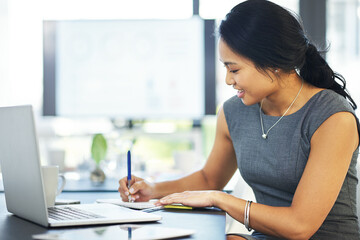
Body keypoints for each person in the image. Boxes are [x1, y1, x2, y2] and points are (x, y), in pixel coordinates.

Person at [118, 0, 360, 239]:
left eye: (234, 70)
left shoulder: (332, 117)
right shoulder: (234, 111)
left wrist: (219, 198)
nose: (227, 80)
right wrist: (152, 190)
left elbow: (300, 227)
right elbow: (209, 178)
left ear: (273, 63)